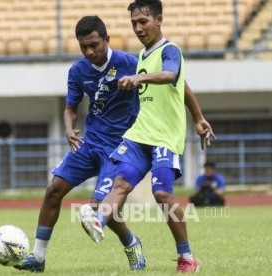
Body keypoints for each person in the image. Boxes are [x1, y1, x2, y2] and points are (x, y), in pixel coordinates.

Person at [15, 15, 212, 273]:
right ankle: (38, 258)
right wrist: (68, 129)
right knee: (53, 190)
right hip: (89, 142)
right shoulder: (77, 70)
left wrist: (198, 117)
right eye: (83, 46)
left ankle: (131, 243)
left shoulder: (131, 63)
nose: (89, 51)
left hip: (120, 144)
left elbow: (178, 82)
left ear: (106, 40)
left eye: (94, 44)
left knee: (102, 205)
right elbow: (70, 108)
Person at [78, 0, 215, 273]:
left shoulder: (170, 50)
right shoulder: (143, 55)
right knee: (120, 183)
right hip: (140, 134)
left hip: (165, 136)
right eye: (134, 24)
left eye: (143, 22)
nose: (138, 28)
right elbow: (184, 84)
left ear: (159, 19)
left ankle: (187, 257)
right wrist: (199, 117)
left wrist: (140, 80)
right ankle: (98, 221)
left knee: (162, 194)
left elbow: (172, 75)